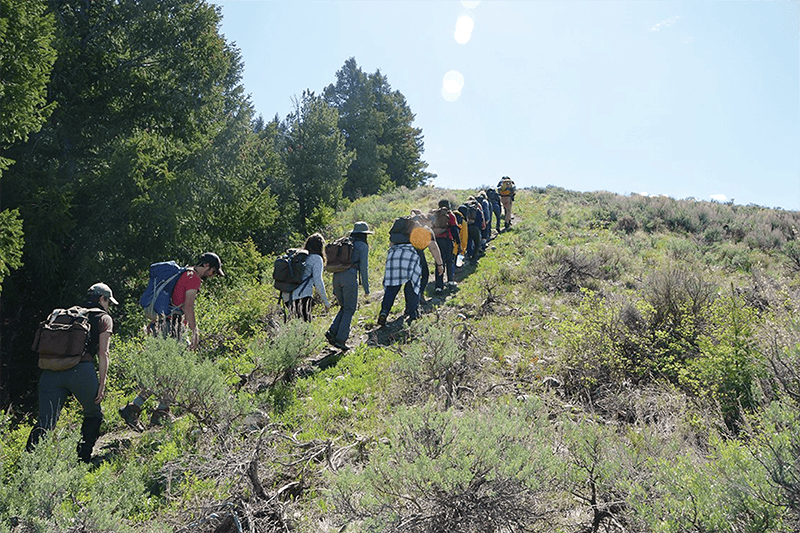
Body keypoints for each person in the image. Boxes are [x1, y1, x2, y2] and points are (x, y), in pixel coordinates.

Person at [120, 252, 224, 430]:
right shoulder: (194, 278)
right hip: (172, 328)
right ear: (206, 266)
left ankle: (141, 409)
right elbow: (188, 306)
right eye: (213, 271)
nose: (212, 275)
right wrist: (194, 332)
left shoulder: (184, 273)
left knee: (165, 372)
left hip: (162, 325)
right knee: (175, 371)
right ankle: (156, 413)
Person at [26, 283, 117, 463]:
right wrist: (102, 384)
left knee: (46, 422)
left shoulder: (71, 314)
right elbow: (103, 353)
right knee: (93, 413)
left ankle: (28, 465)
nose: (109, 306)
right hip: (80, 371)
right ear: (102, 299)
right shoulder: (103, 318)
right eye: (109, 302)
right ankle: (82, 460)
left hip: (50, 371)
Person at [326, 222, 372, 351]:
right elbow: (364, 268)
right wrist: (366, 288)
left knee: (344, 307)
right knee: (350, 309)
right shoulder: (362, 246)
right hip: (349, 278)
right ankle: (341, 339)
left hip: (336, 277)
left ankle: (332, 331)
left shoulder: (345, 242)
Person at [377, 239, 423, 327]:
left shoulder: (396, 229)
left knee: (392, 286)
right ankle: (413, 313)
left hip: (394, 255)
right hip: (410, 255)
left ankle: (384, 311)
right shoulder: (415, 226)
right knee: (412, 285)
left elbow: (391, 244)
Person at [286, 233, 330, 321]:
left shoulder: (301, 257)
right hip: (303, 296)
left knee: (294, 326)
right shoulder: (317, 259)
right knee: (305, 326)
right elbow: (318, 281)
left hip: (288, 295)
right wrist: (326, 302)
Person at [410, 210, 444, 302]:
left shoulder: (408, 227)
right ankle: (420, 295)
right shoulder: (427, 230)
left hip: (404, 253)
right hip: (418, 253)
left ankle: (410, 302)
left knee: (410, 279)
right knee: (425, 274)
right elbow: (434, 249)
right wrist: (440, 264)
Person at [432, 199, 461, 292]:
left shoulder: (435, 215)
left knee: (439, 262)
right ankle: (450, 281)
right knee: (449, 260)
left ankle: (438, 286)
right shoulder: (450, 214)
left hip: (437, 241)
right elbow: (454, 229)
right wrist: (458, 241)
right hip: (447, 240)